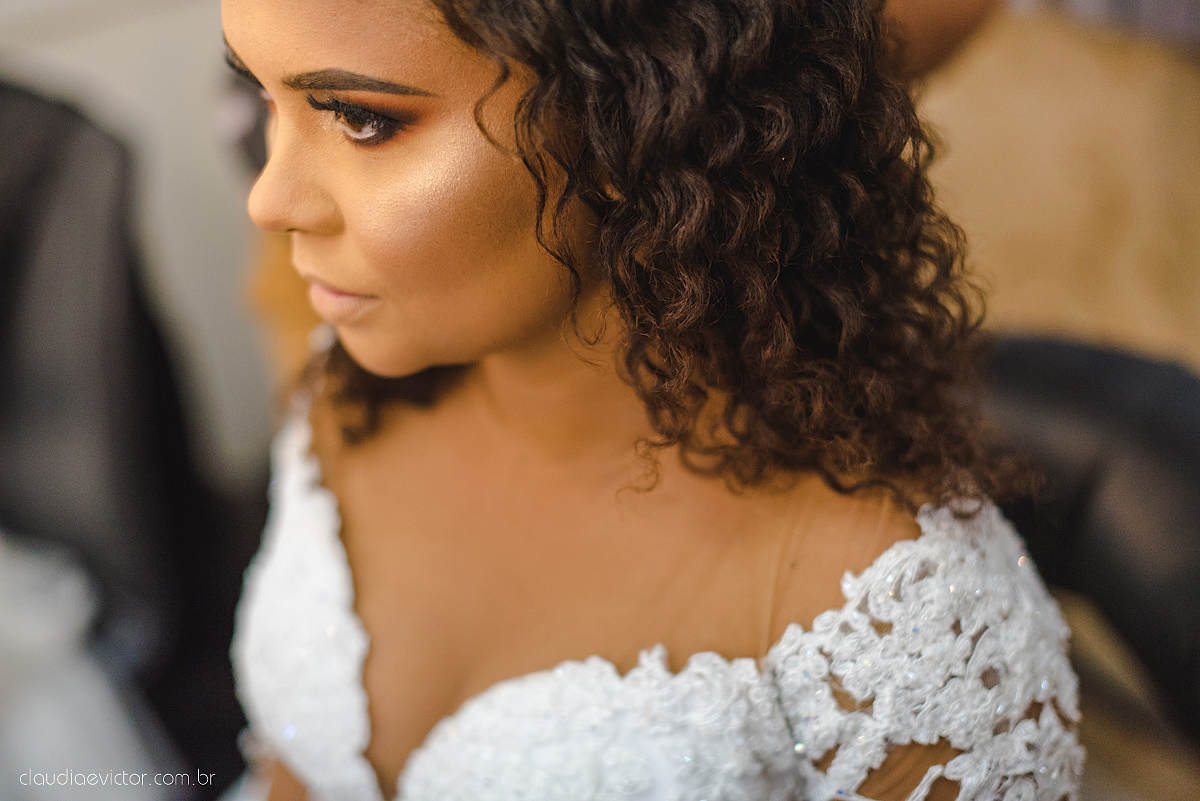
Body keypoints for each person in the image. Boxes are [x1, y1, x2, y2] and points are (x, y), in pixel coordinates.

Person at [220, 0, 1084, 799]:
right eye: (260, 94)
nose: (268, 198)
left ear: (638, 112)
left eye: (361, 119)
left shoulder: (897, 622)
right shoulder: (349, 394)